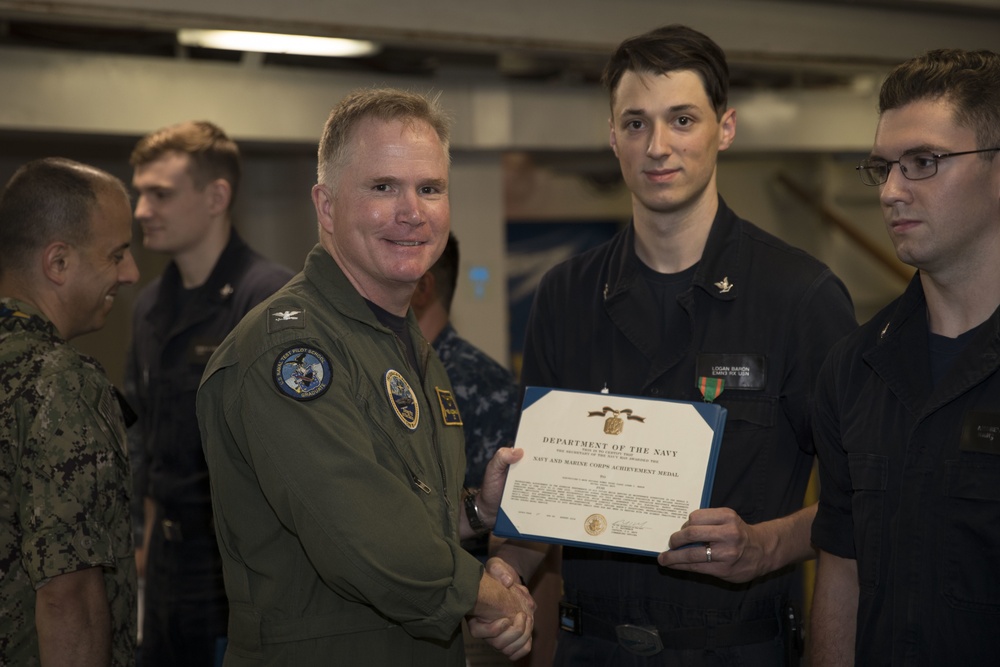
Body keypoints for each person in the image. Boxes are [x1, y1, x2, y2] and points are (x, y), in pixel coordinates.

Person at [492, 24, 857, 665]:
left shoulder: (801, 298)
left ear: (726, 127)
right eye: (635, 123)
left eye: (682, 119)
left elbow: (859, 499)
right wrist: (500, 573)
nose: (657, 146)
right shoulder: (566, 297)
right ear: (612, 137)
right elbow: (540, 508)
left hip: (737, 648)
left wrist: (766, 545)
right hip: (591, 649)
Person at [196, 88, 535, 666]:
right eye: (383, 187)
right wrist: (491, 597)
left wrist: (475, 511)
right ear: (326, 206)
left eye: (430, 188)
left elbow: (402, 508)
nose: (412, 211)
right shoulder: (291, 352)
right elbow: (369, 539)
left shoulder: (404, 345)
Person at [810, 49, 1000, 666]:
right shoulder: (855, 368)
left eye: (923, 162)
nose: (891, 192)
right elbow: (841, 569)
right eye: (883, 168)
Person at [125, 120, 293, 666]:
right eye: (140, 193)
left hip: (235, 569)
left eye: (160, 194)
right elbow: (145, 441)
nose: (141, 210)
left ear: (217, 196)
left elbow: (287, 458)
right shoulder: (151, 305)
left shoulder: (265, 298)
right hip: (166, 566)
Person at [0, 158, 140, 666]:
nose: (130, 274)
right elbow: (69, 598)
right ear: (57, 263)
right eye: (117, 254)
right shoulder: (59, 381)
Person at [410, 231, 519, 553]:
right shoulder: (391, 371)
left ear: (422, 288)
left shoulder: (482, 384)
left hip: (467, 592)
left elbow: (518, 520)